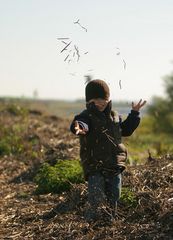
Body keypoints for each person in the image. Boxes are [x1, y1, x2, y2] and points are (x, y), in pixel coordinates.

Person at [70, 79, 146, 222]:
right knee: (96, 198)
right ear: (88, 101)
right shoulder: (86, 117)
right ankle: (92, 223)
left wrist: (134, 114)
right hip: (95, 164)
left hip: (114, 163)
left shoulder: (114, 116)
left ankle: (110, 222)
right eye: (95, 100)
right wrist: (79, 126)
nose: (100, 103)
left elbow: (126, 130)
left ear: (108, 99)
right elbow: (78, 129)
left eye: (103, 99)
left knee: (114, 195)